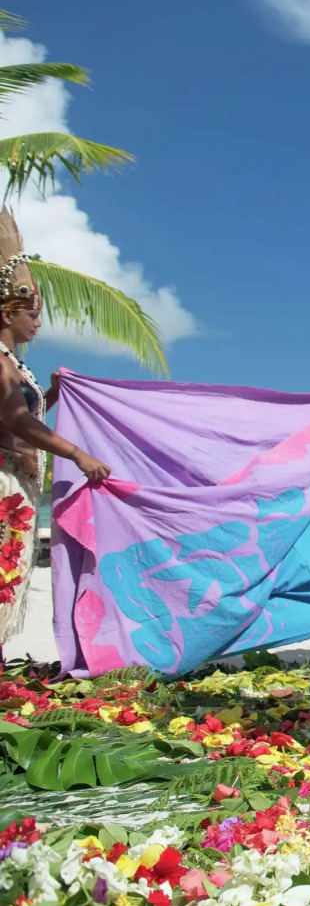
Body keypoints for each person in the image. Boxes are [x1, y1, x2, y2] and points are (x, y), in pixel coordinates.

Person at [0, 250, 111, 648]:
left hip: (16, 479)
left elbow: (20, 416)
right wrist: (77, 454)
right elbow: (16, 422)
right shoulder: (1, 363)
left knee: (8, 570)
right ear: (6, 315)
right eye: (30, 314)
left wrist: (53, 394)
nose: (38, 322)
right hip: (4, 477)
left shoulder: (14, 365)